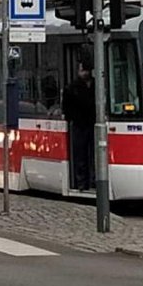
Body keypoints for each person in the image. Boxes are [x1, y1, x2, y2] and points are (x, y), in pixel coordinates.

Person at [62, 59, 95, 190]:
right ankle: (81, 182)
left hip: (92, 124)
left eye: (85, 70)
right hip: (79, 125)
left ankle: (93, 180)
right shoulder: (72, 87)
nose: (83, 73)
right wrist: (73, 118)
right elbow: (67, 108)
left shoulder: (96, 85)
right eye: (81, 70)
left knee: (93, 154)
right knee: (80, 155)